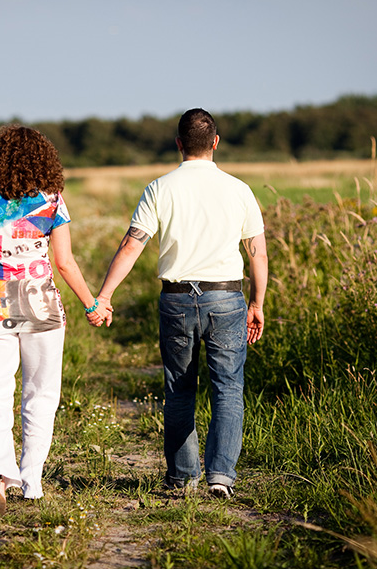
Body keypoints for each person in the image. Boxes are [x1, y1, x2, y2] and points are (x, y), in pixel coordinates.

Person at [95, 108, 267, 499]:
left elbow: (131, 244)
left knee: (179, 389)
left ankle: (183, 477)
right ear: (216, 143)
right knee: (227, 388)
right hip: (227, 298)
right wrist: (256, 303)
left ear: (178, 144)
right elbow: (257, 253)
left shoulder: (160, 188)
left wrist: (104, 296)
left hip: (175, 301)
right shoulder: (239, 189)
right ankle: (221, 476)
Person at [0, 124, 111, 516]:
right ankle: (32, 480)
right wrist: (92, 304)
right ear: (44, 160)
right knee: (41, 394)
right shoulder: (53, 201)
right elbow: (64, 262)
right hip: (41, 306)